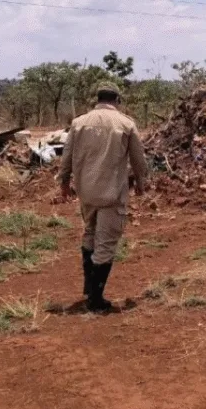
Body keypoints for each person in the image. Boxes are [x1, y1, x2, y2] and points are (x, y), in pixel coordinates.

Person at [59, 82, 147, 312]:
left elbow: (66, 156)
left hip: (86, 192)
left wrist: (63, 183)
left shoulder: (79, 123)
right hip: (111, 194)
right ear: (117, 100)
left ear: (97, 100)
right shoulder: (126, 124)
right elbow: (139, 161)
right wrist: (140, 182)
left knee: (89, 234)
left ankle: (89, 289)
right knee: (106, 243)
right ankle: (96, 300)